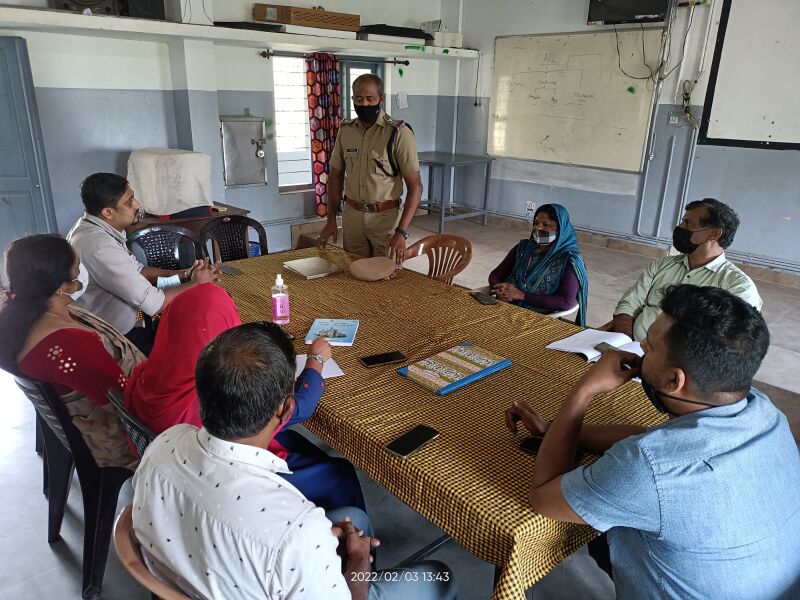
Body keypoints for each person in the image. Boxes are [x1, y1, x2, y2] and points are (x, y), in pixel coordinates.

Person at [506, 285, 800, 599]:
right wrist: (555, 430)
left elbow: (544, 496)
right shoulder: (765, 411)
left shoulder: (645, 468)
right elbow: (652, 442)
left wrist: (585, 391)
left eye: (650, 345)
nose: (641, 347)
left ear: (675, 380)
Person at [132, 323, 457, 600]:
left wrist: (319, 544)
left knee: (354, 517)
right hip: (283, 571)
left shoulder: (163, 444)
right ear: (287, 410)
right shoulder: (296, 527)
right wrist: (358, 560)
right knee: (439, 577)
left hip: (201, 575)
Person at [125, 300, 366, 511]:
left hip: (203, 456)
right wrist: (315, 360)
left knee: (295, 441)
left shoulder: (152, 376)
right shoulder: (230, 391)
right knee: (340, 473)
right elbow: (299, 406)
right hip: (240, 472)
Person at [0, 234, 143, 468]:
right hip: (122, 440)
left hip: (85, 423)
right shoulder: (69, 346)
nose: (80, 271)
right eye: (77, 267)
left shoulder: (17, 315)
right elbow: (131, 408)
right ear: (60, 285)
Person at [67, 172, 219, 355]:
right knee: (194, 341)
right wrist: (197, 283)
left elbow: (139, 270)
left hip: (123, 325)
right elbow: (155, 304)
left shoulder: (91, 226)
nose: (137, 205)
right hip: (115, 340)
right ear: (108, 212)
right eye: (129, 202)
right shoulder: (99, 246)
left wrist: (185, 274)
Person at [607, 197, 762, 341]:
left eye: (688, 223)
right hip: (631, 347)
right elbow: (629, 304)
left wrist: (656, 356)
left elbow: (729, 343)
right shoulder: (662, 265)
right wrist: (624, 341)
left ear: (713, 234)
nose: (679, 228)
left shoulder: (738, 287)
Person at [317, 73, 423, 263]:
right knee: (353, 271)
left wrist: (401, 232)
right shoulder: (346, 130)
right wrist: (331, 219)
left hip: (385, 220)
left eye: (370, 98)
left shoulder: (399, 133)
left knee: (385, 275)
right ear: (352, 99)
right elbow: (335, 176)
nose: (364, 104)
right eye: (359, 99)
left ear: (381, 99)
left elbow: (416, 187)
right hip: (352, 218)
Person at [489, 203, 589, 325]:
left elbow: (565, 301)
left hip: (539, 320)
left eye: (545, 224)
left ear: (560, 229)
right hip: (506, 307)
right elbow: (495, 275)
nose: (538, 227)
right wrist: (501, 291)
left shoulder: (569, 260)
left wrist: (521, 295)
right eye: (536, 223)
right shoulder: (523, 248)